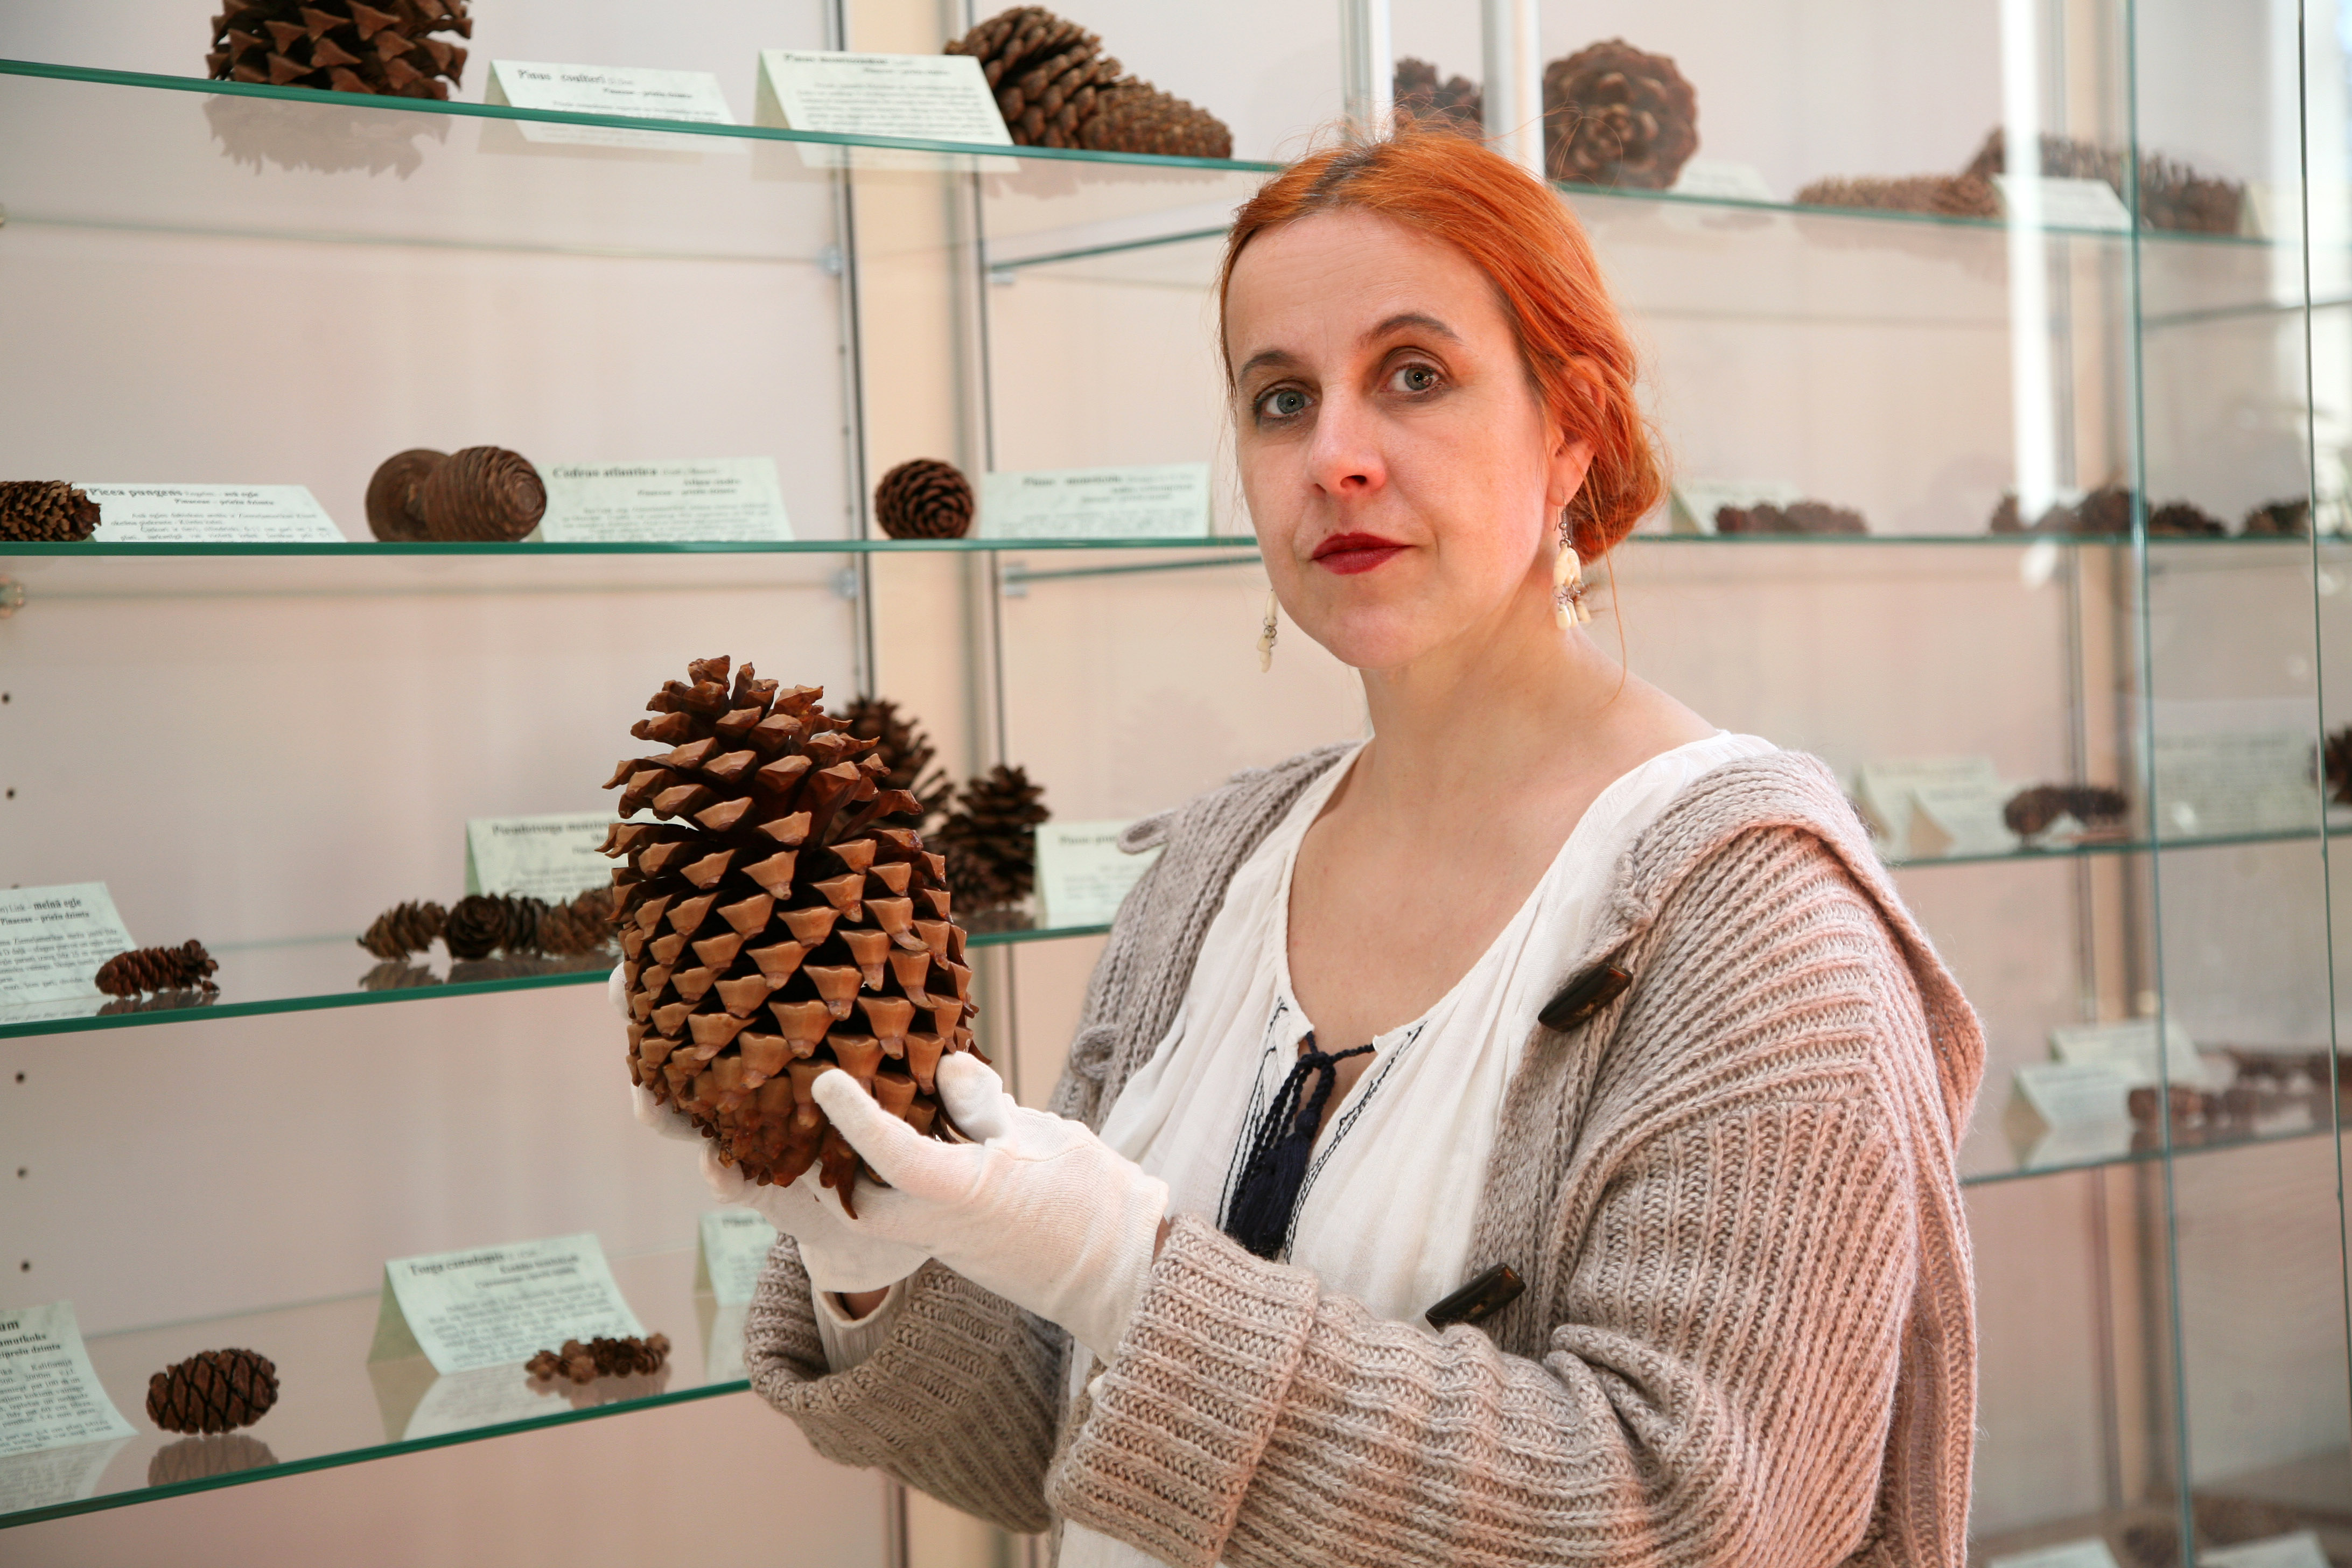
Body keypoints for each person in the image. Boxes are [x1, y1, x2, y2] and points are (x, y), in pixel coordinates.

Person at [642, 126, 1984, 1567]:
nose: (1335, 456)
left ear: (1571, 433)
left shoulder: (1755, 920)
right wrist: (875, 1257)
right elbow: (1056, 1439)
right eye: (1281, 400)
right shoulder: (1217, 864)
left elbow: (1690, 1515)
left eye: (1416, 376)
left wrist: (1129, 1273)